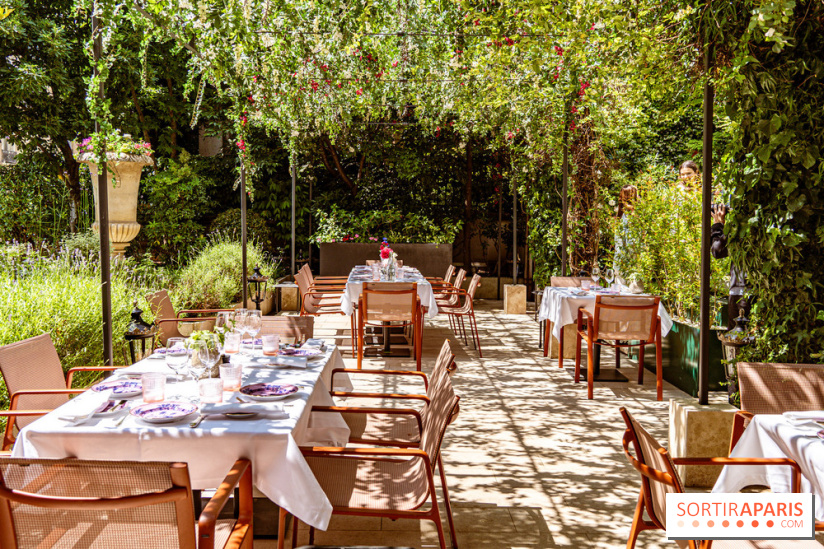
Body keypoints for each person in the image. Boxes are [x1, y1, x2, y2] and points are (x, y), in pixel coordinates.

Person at [710, 203, 748, 329]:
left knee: (737, 339)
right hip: (752, 290)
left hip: (741, 291)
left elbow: (718, 250)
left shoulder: (741, 230)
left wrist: (718, 225)